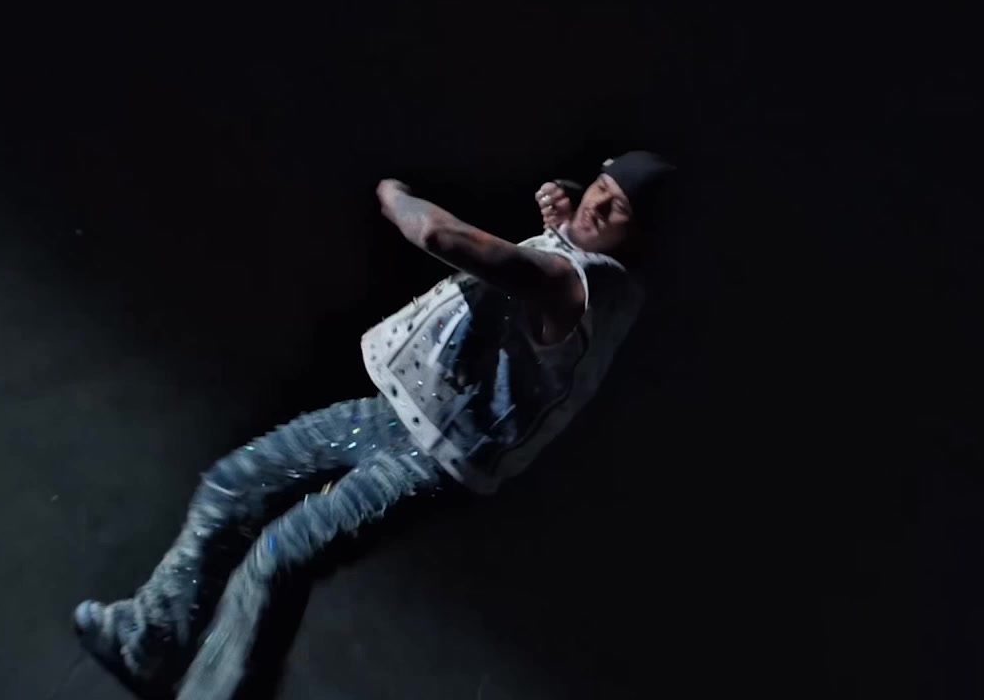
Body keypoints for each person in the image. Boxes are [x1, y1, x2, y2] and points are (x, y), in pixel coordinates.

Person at [71, 150, 676, 699]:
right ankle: (149, 641)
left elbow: (441, 236)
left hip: (435, 459)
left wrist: (394, 193)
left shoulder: (580, 284)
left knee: (277, 559)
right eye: (600, 186)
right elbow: (566, 243)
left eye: (617, 207)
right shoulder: (587, 258)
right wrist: (568, 219)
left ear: (640, 235)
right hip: (394, 413)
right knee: (232, 487)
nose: (598, 204)